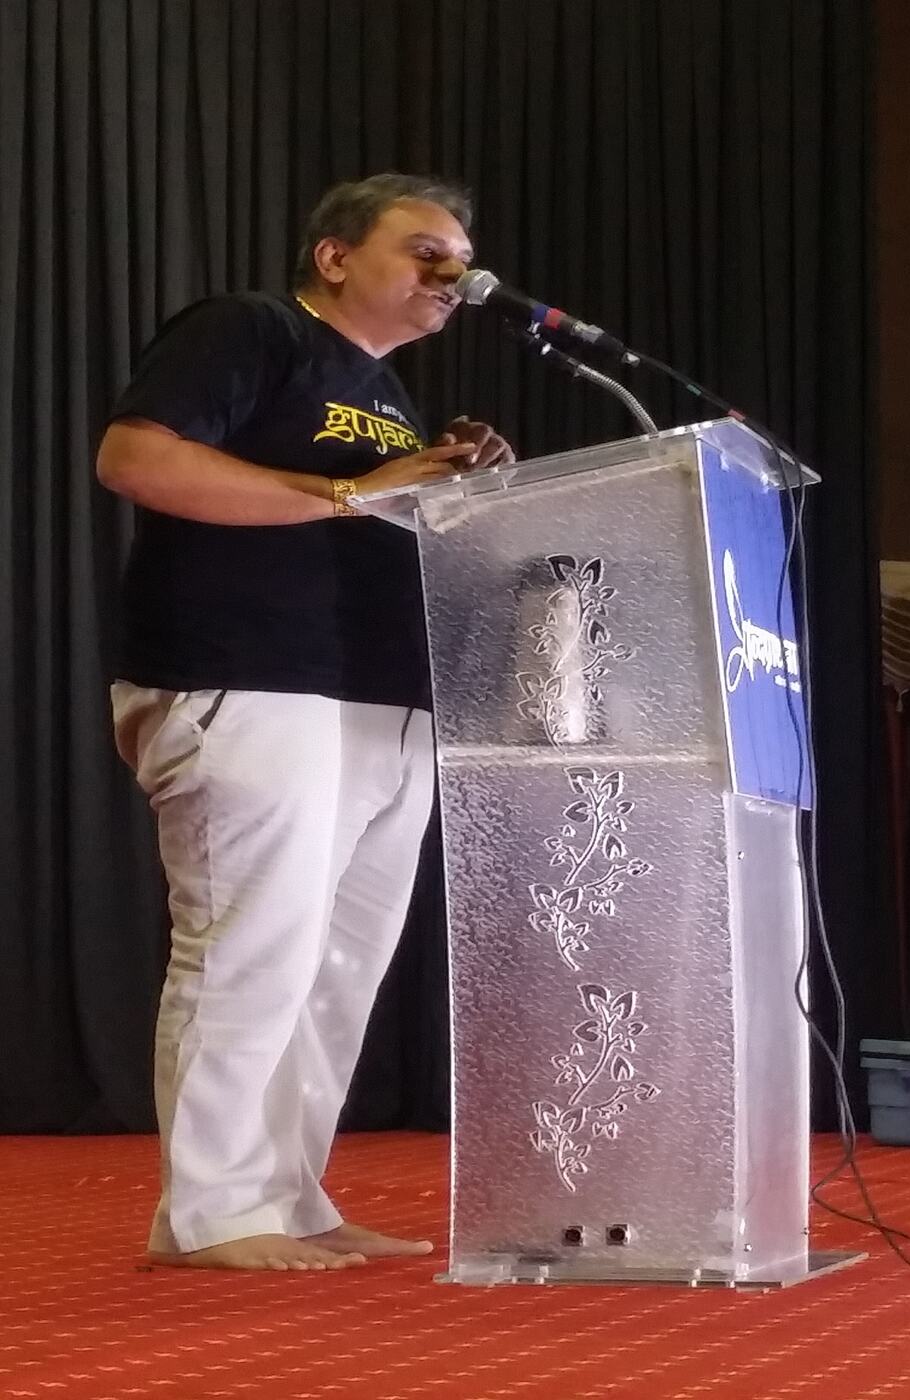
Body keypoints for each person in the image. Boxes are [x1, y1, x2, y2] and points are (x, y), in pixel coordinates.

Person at [96, 173, 513, 1272]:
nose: (452, 274)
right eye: (425, 250)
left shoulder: (387, 394)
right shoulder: (253, 329)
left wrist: (447, 486)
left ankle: (287, 1194)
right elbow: (135, 458)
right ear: (335, 256)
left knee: (338, 968)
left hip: (380, 700)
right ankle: (212, 1212)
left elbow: (376, 505)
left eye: (462, 259)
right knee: (253, 947)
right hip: (250, 677)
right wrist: (355, 490)